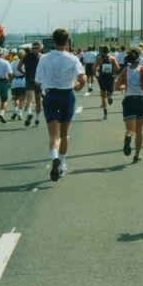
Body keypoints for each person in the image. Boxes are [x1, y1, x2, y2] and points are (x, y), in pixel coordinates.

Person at [35, 28, 87, 181]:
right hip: (66, 95)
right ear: (67, 41)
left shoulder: (44, 58)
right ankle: (62, 164)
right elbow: (82, 79)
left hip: (50, 95)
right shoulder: (72, 58)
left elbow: (37, 81)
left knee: (53, 134)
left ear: (53, 40)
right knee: (64, 134)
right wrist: (78, 86)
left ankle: (54, 157)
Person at [114, 49, 143, 163]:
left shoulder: (125, 70)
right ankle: (137, 155)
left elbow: (116, 87)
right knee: (139, 130)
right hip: (141, 100)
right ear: (139, 60)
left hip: (129, 100)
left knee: (130, 129)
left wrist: (125, 86)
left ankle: (128, 136)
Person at [18, 41, 43, 126]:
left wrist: (24, 73)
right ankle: (37, 118)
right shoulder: (42, 57)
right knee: (38, 100)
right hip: (39, 80)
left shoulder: (25, 56)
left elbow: (19, 67)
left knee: (29, 98)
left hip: (29, 78)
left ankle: (29, 113)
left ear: (32, 48)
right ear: (40, 48)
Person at [94, 45, 120, 120]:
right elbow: (118, 68)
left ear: (102, 51)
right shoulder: (112, 58)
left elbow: (94, 68)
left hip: (102, 77)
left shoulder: (99, 59)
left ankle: (105, 114)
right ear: (108, 51)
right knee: (110, 90)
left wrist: (96, 76)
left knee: (103, 96)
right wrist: (114, 72)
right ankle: (111, 96)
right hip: (110, 77)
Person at [10, 50, 27, 120]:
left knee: (15, 98)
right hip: (23, 81)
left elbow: (11, 73)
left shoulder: (13, 62)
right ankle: (20, 113)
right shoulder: (25, 63)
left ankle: (15, 110)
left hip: (15, 81)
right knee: (22, 99)